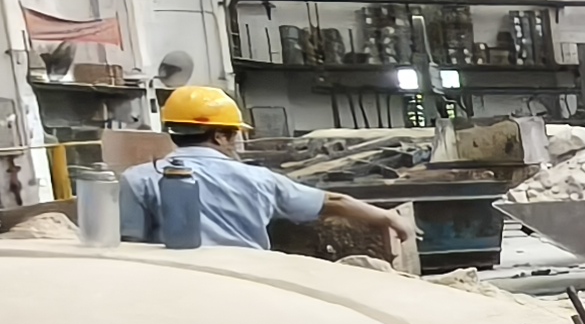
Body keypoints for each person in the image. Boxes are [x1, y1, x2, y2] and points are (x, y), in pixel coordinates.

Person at [117, 85, 410, 253]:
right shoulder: (259, 180)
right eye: (236, 134)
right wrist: (389, 217)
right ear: (220, 136)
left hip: (176, 287)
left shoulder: (138, 178)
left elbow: (130, 246)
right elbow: (335, 202)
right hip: (251, 283)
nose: (239, 141)